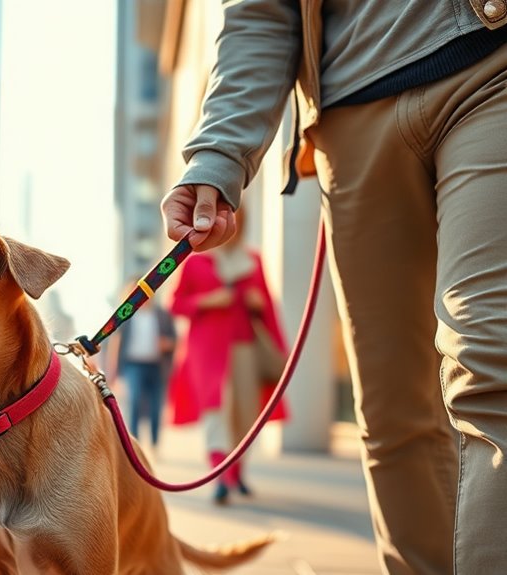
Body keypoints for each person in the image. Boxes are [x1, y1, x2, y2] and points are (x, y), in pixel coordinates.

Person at [160, 2, 507, 571]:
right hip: (351, 112)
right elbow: (259, 13)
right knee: (396, 415)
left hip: (487, 63)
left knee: (491, 363)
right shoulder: (215, 263)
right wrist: (219, 154)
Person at [167, 210, 287, 505]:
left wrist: (256, 304)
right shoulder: (195, 260)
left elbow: (267, 306)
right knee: (215, 412)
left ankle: (238, 472)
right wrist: (207, 301)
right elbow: (175, 304)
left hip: (245, 347)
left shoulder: (253, 260)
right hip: (206, 351)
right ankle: (222, 479)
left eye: (239, 220)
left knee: (246, 413)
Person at [105, 284, 176, 453]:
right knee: (134, 401)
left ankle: (154, 443)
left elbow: (174, 339)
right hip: (133, 365)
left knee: (156, 406)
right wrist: (112, 372)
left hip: (157, 366)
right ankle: (134, 445)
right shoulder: (126, 316)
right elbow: (116, 342)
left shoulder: (162, 315)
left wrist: (167, 344)